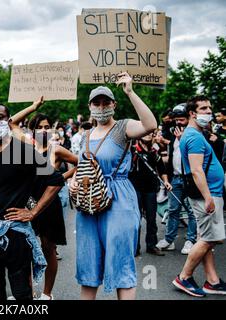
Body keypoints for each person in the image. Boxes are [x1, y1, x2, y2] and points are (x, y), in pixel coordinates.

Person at [69, 72, 157, 300]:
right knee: (88, 264)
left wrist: (130, 91)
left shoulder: (123, 128)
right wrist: (74, 183)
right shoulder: (86, 134)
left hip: (119, 200)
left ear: (113, 104)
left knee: (120, 262)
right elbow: (84, 168)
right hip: (89, 203)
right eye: (96, 103)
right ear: (90, 107)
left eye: (105, 102)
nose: (101, 106)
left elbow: (150, 125)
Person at [0, 102, 63, 301]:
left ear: (8, 121)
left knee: (21, 293)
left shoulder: (23, 151)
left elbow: (55, 180)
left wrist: (33, 212)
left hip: (16, 233)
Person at [10, 98, 78, 300]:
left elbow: (80, 163)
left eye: (47, 127)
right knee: (26, 249)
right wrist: (33, 107)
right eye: (39, 127)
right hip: (27, 203)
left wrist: (61, 179)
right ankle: (28, 292)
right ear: (32, 131)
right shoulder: (26, 145)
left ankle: (47, 294)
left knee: (49, 248)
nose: (44, 131)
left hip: (49, 204)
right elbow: (11, 122)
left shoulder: (56, 149)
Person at [172, 95, 226, 297]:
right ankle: (184, 277)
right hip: (208, 194)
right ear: (192, 113)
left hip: (209, 192)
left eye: (210, 108)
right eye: (203, 108)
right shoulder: (194, 137)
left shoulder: (194, 133)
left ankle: (212, 281)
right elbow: (196, 170)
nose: (209, 112)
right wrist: (208, 197)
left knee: (207, 238)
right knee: (208, 239)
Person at [156, 104, 197, 255]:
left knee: (192, 211)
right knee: (173, 210)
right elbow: (172, 154)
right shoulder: (174, 133)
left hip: (190, 178)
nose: (179, 123)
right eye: (176, 120)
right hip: (176, 178)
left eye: (182, 119)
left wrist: (183, 139)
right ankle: (169, 239)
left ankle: (191, 240)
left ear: (188, 119)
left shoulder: (194, 133)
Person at [129, 131, 172, 256]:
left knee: (152, 219)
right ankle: (134, 248)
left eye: (150, 134)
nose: (148, 135)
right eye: (145, 133)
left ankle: (151, 245)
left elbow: (162, 169)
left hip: (151, 189)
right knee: (136, 219)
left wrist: (166, 181)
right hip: (135, 189)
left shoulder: (154, 152)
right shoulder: (133, 151)